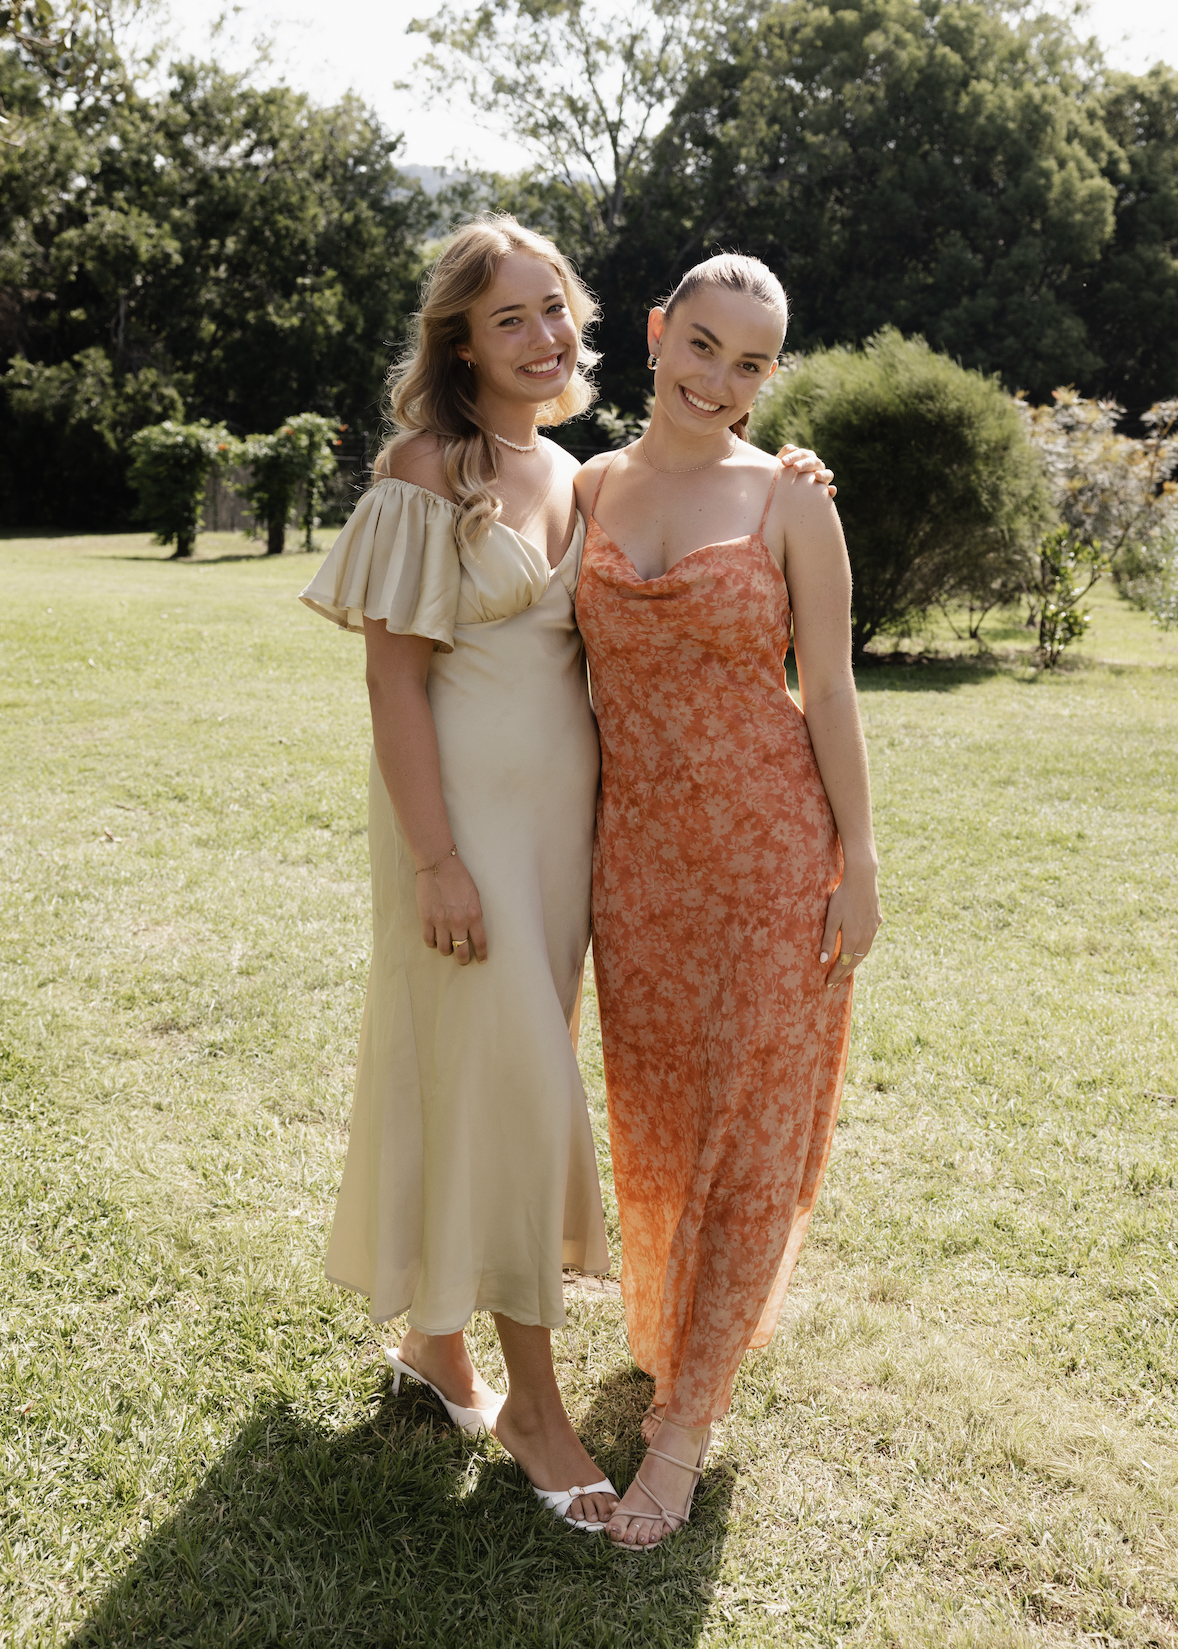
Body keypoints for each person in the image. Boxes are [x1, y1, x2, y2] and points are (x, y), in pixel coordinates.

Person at [298, 216, 619, 1528]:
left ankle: (437, 1343)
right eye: (508, 319)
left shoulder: (580, 474)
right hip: (459, 833)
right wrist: (436, 859)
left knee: (489, 1085)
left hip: (560, 837)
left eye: (554, 309)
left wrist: (795, 472)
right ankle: (535, 1410)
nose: (542, 337)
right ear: (462, 343)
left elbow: (708, 488)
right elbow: (392, 684)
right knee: (522, 1090)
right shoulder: (424, 470)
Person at [573, 253, 881, 1549]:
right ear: (656, 333)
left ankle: (684, 1430)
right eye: (700, 344)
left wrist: (857, 861)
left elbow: (830, 690)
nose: (716, 379)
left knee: (747, 1132)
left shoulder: (791, 499)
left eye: (749, 362)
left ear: (771, 375)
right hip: (635, 867)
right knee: (658, 1121)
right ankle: (676, 1340)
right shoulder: (587, 486)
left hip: (770, 858)